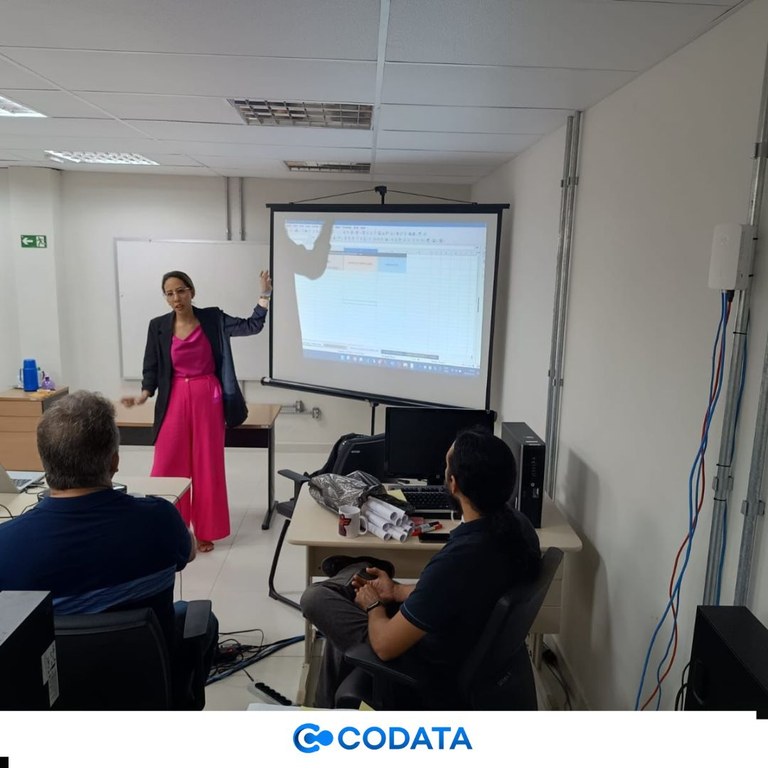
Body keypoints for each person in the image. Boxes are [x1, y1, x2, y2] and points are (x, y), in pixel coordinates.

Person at [0, 390, 218, 708]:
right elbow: (189, 553)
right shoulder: (160, 519)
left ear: (44, 463)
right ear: (114, 461)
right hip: (149, 686)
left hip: (52, 700)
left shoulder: (6, 545)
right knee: (201, 619)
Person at [300, 427, 542, 708]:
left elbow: (385, 646)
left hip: (423, 669)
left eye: (446, 467)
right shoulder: (519, 528)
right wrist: (396, 591)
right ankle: (325, 710)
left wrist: (374, 605)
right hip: (463, 646)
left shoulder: (459, 561)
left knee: (316, 598)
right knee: (348, 601)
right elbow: (452, 593)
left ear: (453, 484)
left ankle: (354, 572)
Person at [121, 269, 272, 552]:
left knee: (206, 465)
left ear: (192, 291)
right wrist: (143, 394)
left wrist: (264, 295)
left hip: (208, 397)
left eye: (181, 291)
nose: (176, 298)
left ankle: (205, 531)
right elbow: (151, 366)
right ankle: (170, 530)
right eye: (169, 293)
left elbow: (252, 326)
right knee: (167, 464)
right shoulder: (158, 326)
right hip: (175, 397)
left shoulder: (213, 319)